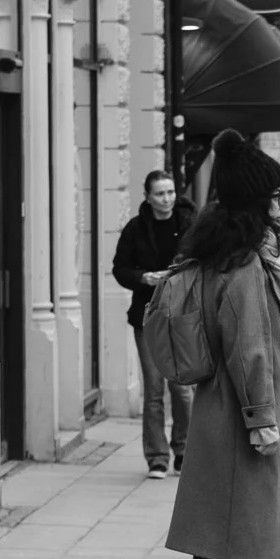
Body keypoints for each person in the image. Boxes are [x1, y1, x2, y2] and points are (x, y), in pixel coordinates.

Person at [163, 130, 280, 559]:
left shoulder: (232, 258)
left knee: (215, 532)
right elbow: (250, 352)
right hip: (240, 420)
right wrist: (262, 420)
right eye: (277, 198)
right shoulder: (244, 269)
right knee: (227, 535)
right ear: (254, 205)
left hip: (222, 415)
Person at [112, 170, 197, 479]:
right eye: (160, 193)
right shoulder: (135, 229)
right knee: (153, 388)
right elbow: (120, 269)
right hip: (147, 316)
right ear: (147, 196)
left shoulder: (190, 224)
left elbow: (204, 262)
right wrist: (144, 277)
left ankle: (184, 451)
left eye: (171, 192)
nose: (167, 199)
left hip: (183, 314)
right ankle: (157, 458)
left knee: (182, 388)